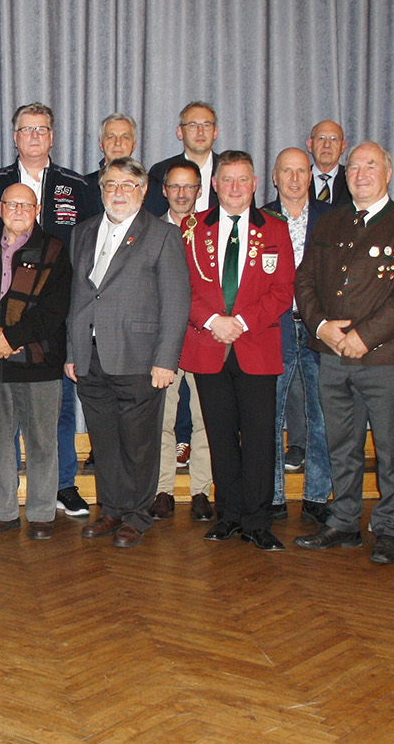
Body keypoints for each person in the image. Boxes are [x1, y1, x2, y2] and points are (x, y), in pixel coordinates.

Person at [293, 142, 394, 564]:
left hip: (387, 359)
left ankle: (390, 528)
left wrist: (363, 337)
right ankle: (344, 521)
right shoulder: (330, 220)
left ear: (388, 172)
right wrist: (321, 326)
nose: (360, 173)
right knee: (342, 445)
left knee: (392, 448)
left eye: (370, 165)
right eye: (353, 166)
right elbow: (305, 281)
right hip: (333, 356)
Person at [0, 102, 99, 517]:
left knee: (50, 430)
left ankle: (54, 495)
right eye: (27, 129)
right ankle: (3, 506)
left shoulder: (76, 187)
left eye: (42, 129)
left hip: (46, 341)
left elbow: (70, 281)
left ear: (52, 136)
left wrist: (15, 336)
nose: (35, 136)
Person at [66, 158, 188, 548]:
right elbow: (79, 297)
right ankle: (113, 509)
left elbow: (176, 302)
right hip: (91, 356)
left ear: (143, 190)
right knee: (104, 441)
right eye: (111, 185)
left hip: (140, 357)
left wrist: (166, 360)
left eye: (127, 185)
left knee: (139, 443)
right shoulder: (83, 232)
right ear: (101, 190)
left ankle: (137, 514)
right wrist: (72, 351)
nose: (118, 193)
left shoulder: (162, 235)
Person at [181, 151, 296, 550]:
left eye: (242, 180)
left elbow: (283, 290)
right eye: (226, 179)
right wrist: (214, 322)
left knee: (261, 436)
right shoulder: (192, 227)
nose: (234, 187)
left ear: (255, 183)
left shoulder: (276, 229)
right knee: (220, 436)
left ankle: (258, 520)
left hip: (256, 345)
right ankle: (228, 514)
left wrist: (240, 323)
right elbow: (184, 289)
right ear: (214, 184)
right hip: (208, 346)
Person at [0, 183, 72, 540]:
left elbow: (54, 310)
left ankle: (43, 512)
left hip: (39, 362)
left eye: (26, 205)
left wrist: (11, 338)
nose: (18, 210)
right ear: (0, 208)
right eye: (11, 204)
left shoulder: (55, 250)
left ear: (38, 209)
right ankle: (2, 511)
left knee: (42, 441)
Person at [263, 148, 332, 526]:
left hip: (320, 327)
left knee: (322, 414)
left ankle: (317, 496)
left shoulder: (332, 218)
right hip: (276, 325)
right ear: (274, 177)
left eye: (300, 171)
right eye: (286, 171)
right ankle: (273, 495)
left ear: (312, 176)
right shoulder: (260, 219)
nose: (293, 178)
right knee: (270, 413)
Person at [149, 159, 214, 522]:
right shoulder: (150, 231)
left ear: (199, 190)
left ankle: (202, 490)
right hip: (164, 341)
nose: (182, 194)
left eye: (189, 187)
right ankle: (162, 489)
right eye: (175, 186)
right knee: (163, 418)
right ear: (164, 190)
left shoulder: (213, 231)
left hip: (204, 338)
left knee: (205, 418)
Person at [144, 102, 221, 216]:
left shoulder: (229, 174)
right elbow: (152, 219)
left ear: (215, 132)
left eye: (206, 125)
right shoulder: (159, 172)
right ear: (180, 132)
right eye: (192, 125)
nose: (200, 132)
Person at [85, 112, 138, 189]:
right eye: (111, 137)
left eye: (125, 137)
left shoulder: (152, 187)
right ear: (101, 145)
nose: (118, 143)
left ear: (134, 146)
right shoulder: (85, 187)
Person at [306, 120, 352, 206]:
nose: (327, 145)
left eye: (333, 139)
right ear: (310, 145)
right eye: (321, 138)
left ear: (343, 146)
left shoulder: (352, 178)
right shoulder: (298, 179)